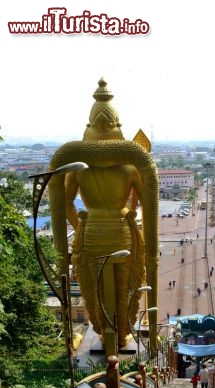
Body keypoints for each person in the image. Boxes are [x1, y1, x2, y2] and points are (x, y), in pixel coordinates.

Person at [49, 78, 159, 358]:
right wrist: (134, 218)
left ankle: (105, 332)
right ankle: (120, 333)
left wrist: (80, 225)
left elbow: (65, 205)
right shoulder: (131, 166)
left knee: (95, 289)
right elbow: (147, 205)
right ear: (117, 128)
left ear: (90, 128)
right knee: (126, 288)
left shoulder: (78, 167)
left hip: (91, 232)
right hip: (122, 230)